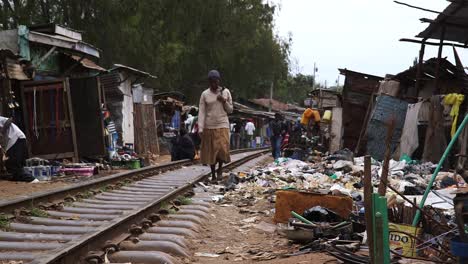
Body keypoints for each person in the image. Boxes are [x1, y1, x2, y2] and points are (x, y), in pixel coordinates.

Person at [198, 70, 233, 182]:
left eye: (216, 81)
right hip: (209, 126)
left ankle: (220, 170)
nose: (214, 84)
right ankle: (213, 174)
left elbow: (230, 110)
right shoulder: (204, 94)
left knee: (222, 150)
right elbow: (202, 111)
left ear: (219, 81)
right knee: (211, 152)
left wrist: (224, 101)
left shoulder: (225, 92)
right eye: (212, 82)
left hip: (223, 124)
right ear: (209, 82)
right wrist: (200, 127)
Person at [0, 116, 37, 182]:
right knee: (10, 166)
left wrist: (2, 132)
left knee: (14, 166)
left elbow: (9, 120)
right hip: (12, 142)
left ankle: (33, 181)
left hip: (16, 138)